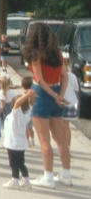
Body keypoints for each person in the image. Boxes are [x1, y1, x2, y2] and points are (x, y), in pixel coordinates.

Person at [22, 22, 71, 188]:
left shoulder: (36, 55)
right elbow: (65, 76)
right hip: (57, 91)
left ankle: (48, 177)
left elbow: (40, 80)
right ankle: (66, 174)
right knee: (61, 140)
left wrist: (54, 95)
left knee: (44, 140)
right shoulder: (57, 54)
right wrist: (60, 96)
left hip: (42, 95)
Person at [1, 89, 35, 189]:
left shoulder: (17, 114)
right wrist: (29, 96)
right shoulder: (27, 113)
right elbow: (30, 103)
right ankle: (26, 180)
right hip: (20, 144)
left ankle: (15, 180)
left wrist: (27, 94)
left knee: (13, 164)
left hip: (13, 144)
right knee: (21, 163)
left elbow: (17, 103)